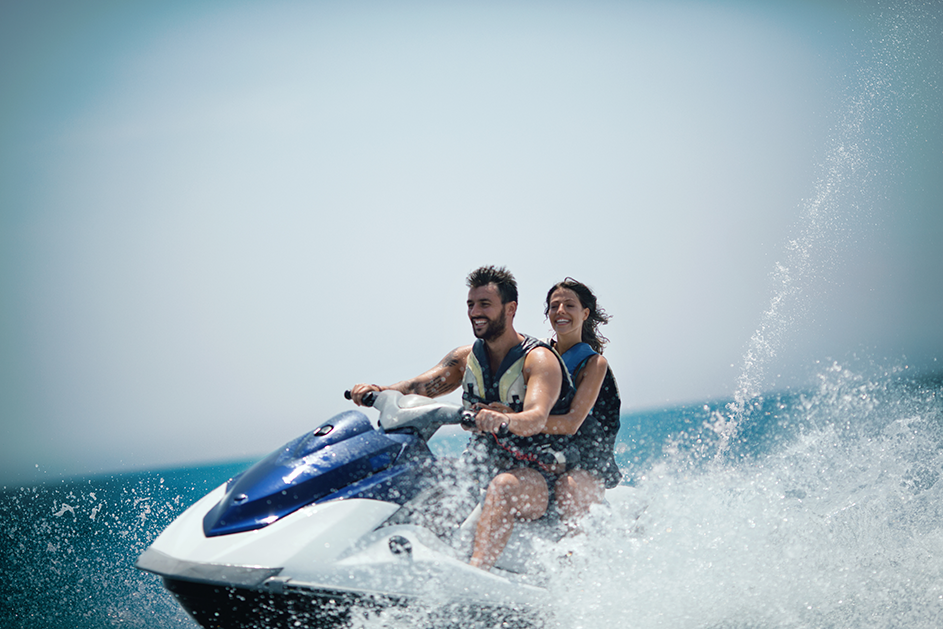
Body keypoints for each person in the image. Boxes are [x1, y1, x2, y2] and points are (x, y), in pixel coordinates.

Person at [348, 265, 573, 571]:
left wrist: (504, 419)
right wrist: (380, 390)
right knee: (427, 475)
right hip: (479, 466)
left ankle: (475, 574)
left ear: (510, 309)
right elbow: (417, 387)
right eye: (471, 304)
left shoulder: (539, 360)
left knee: (503, 485)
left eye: (484, 304)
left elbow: (535, 417)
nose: (475, 312)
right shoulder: (466, 358)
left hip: (537, 478)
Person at [541, 278, 622, 523]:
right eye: (554, 306)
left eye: (569, 305)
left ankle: (574, 555)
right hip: (549, 457)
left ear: (585, 313)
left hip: (588, 466)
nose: (560, 311)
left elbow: (572, 423)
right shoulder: (539, 358)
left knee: (567, 488)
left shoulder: (595, 365)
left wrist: (513, 421)